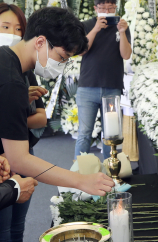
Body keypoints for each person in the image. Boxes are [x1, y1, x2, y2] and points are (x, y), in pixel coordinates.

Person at [0, 4, 114, 236]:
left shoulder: (9, 61)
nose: (61, 66)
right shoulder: (11, 80)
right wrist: (80, 181)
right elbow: (20, 160)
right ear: (40, 42)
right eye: (61, 57)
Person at [0, 3, 47, 241]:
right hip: (4, 165)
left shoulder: (25, 67)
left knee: (17, 226)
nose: (12, 33)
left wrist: (14, 111)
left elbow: (41, 118)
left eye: (18, 29)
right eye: (5, 27)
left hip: (20, 157)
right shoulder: (8, 78)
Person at [74, 0, 132, 160]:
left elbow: (126, 55)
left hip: (112, 87)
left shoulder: (121, 26)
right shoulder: (86, 25)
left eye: (110, 7)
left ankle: (110, 172)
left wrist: (121, 32)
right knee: (84, 133)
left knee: (111, 134)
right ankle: (80, 172)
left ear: (115, 8)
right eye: (103, 8)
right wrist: (95, 29)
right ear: (95, 9)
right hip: (88, 87)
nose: (107, 10)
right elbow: (81, 51)